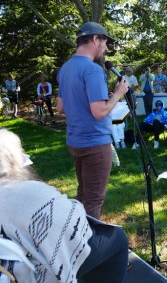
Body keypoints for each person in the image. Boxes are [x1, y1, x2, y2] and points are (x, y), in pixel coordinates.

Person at [0, 129, 129, 283]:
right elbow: (69, 218)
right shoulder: (29, 192)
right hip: (36, 271)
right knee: (117, 238)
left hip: (9, 270)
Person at [57, 21, 129, 219]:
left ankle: (75, 241)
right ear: (95, 39)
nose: (106, 48)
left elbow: (60, 108)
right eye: (105, 42)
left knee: (82, 196)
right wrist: (118, 93)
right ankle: (90, 247)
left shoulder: (65, 68)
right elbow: (99, 111)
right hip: (95, 144)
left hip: (75, 142)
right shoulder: (93, 70)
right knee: (93, 202)